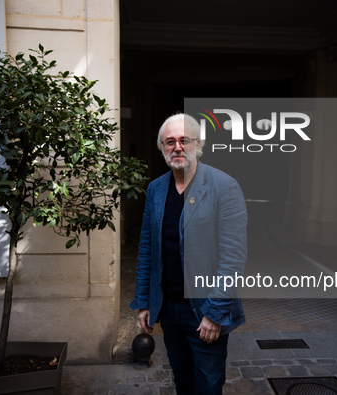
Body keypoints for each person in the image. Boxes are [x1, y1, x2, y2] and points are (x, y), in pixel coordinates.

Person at [130, 113, 248, 394]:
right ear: (162, 147)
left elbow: (233, 258)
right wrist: (144, 301)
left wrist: (216, 313)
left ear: (198, 144)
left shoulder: (224, 186)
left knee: (207, 385)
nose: (177, 147)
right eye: (169, 141)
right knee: (182, 382)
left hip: (204, 311)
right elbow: (147, 249)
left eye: (185, 140)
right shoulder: (156, 189)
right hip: (169, 310)